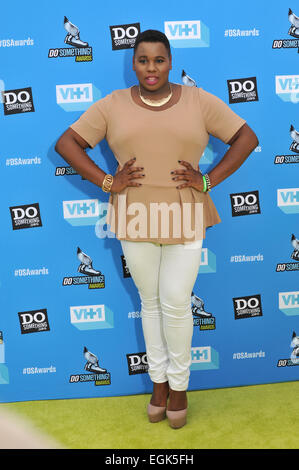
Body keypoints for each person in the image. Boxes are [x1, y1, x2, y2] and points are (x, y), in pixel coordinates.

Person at [55, 29, 259, 429]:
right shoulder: (112, 105)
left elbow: (246, 138)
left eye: (159, 60)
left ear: (171, 62)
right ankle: (159, 384)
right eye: (143, 60)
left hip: (185, 211)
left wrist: (208, 180)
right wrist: (108, 181)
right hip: (134, 214)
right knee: (150, 303)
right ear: (133, 63)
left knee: (176, 301)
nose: (151, 68)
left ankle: (180, 386)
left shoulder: (199, 101)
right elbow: (68, 143)